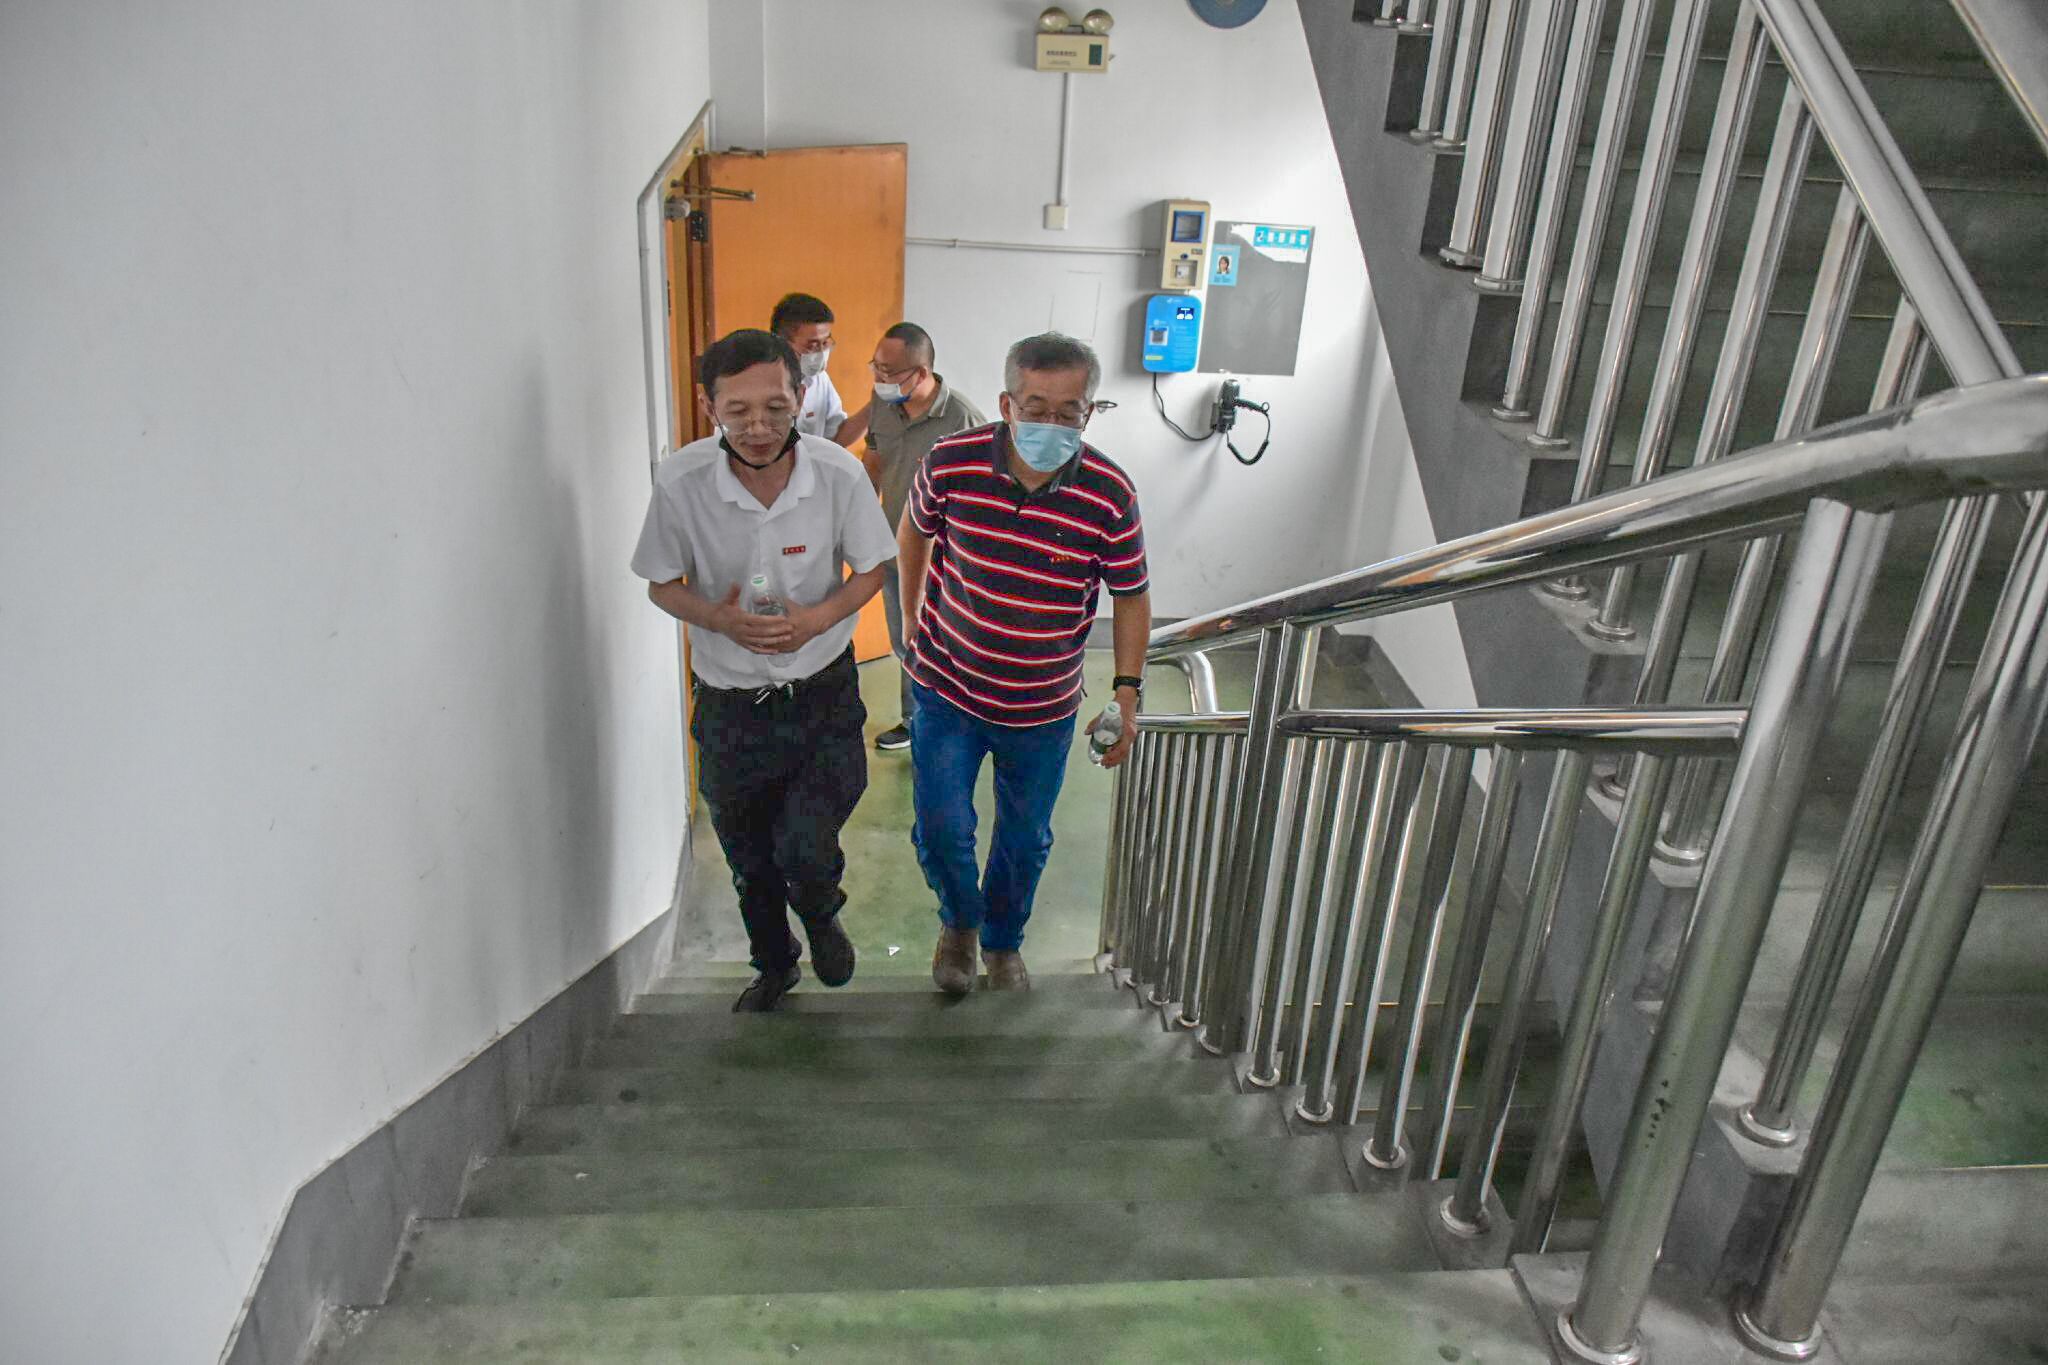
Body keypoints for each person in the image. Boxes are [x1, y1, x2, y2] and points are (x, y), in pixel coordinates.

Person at [632, 328, 897, 1012]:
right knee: (749, 860)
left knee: (805, 846)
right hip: (731, 706)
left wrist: (818, 619)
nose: (758, 427)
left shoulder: (836, 474)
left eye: (776, 408)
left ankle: (820, 908)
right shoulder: (681, 481)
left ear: (800, 397)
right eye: (738, 411)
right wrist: (716, 618)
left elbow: (872, 568)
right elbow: (661, 584)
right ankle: (775, 966)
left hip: (821, 695)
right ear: (708, 405)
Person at [896, 332, 1151, 995]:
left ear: (1090, 412)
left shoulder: (1109, 492)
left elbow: (1130, 595)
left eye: (1070, 412)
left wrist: (1126, 694)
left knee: (1026, 837)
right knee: (942, 827)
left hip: (1041, 707)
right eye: (1036, 408)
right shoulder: (950, 462)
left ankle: (1003, 940)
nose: (1051, 424)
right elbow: (914, 530)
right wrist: (911, 616)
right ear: (1007, 403)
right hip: (948, 688)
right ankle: (959, 923)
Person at [859, 322, 987, 753]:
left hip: (946, 559)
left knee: (949, 645)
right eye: (876, 368)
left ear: (922, 372)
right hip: (894, 549)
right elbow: (873, 463)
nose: (880, 378)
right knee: (905, 640)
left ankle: (956, 723)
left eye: (889, 371)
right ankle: (914, 721)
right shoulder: (882, 406)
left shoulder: (963, 419)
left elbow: (982, 496)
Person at [770, 292, 868, 449]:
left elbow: (836, 438)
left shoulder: (819, 379)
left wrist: (875, 406)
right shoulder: (756, 382)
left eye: (825, 342)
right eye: (812, 345)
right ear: (781, 343)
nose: (822, 352)